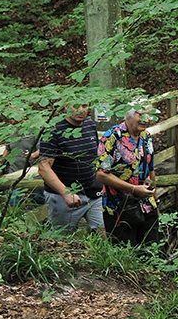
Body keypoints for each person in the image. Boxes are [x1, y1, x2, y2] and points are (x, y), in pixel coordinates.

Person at [96, 105, 160, 246]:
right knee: (127, 256)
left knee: (152, 252)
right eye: (141, 115)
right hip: (119, 208)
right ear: (129, 116)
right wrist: (133, 189)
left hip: (147, 206)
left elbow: (150, 169)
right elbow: (101, 174)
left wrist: (156, 202)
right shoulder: (112, 136)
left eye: (148, 116)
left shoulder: (146, 136)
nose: (146, 120)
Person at [37, 104, 105, 234]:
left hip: (94, 192)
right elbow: (43, 167)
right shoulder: (53, 130)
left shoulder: (90, 125)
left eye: (84, 105)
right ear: (65, 106)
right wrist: (66, 193)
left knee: (105, 234)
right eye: (74, 106)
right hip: (64, 197)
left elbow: (95, 157)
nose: (80, 110)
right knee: (61, 240)